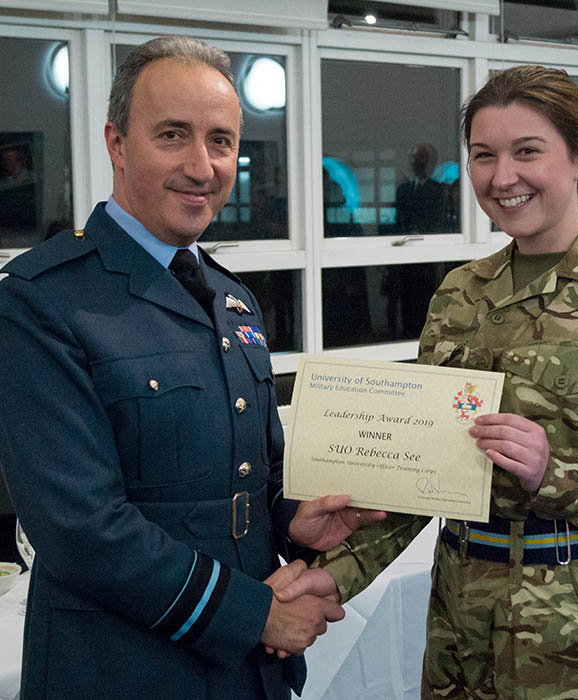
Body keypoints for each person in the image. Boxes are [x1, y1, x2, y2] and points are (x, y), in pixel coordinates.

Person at [0, 36, 384, 700]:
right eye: (173, 135)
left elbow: (249, 475)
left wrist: (292, 517)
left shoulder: (232, 299)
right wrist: (254, 612)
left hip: (246, 672)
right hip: (124, 670)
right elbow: (82, 531)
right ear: (116, 144)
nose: (202, 166)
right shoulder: (40, 301)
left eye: (222, 141)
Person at [304, 66, 578, 700]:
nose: (501, 177)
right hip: (461, 619)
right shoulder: (460, 294)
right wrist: (338, 575)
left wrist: (555, 473)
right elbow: (422, 467)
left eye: (527, 151)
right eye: (484, 156)